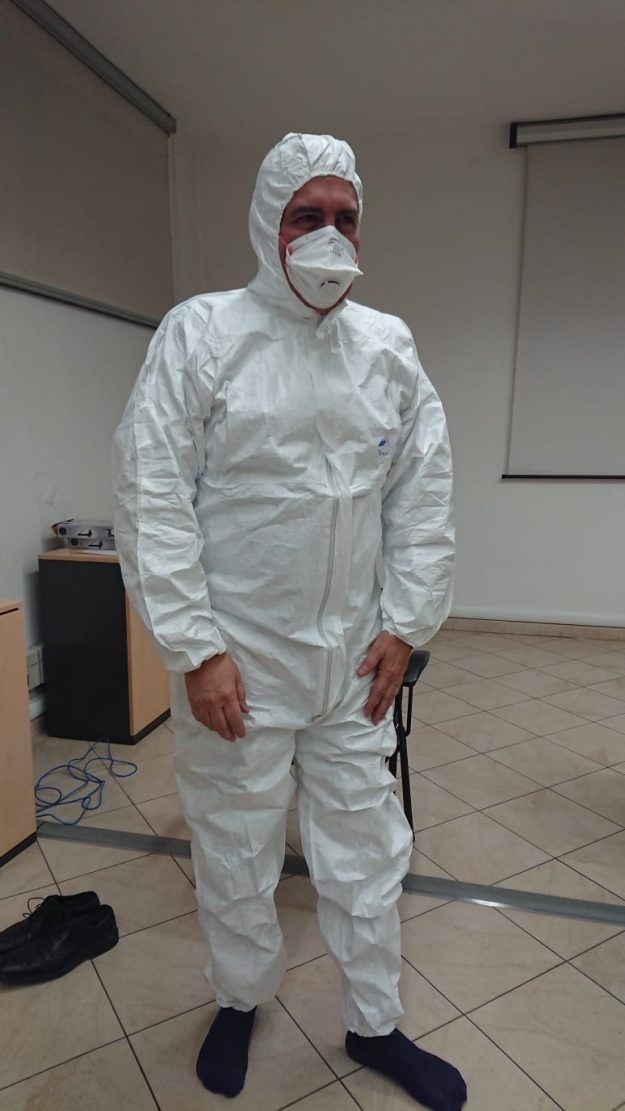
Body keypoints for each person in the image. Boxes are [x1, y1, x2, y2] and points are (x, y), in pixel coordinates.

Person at [112, 132, 465, 1110]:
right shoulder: (202, 333)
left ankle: (374, 1022)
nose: (327, 236)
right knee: (235, 844)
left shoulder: (386, 346)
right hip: (240, 662)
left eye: (345, 218)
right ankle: (239, 998)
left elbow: (423, 495)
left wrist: (405, 624)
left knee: (367, 849)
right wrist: (196, 649)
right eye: (306, 216)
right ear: (267, 223)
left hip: (354, 661)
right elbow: (152, 496)